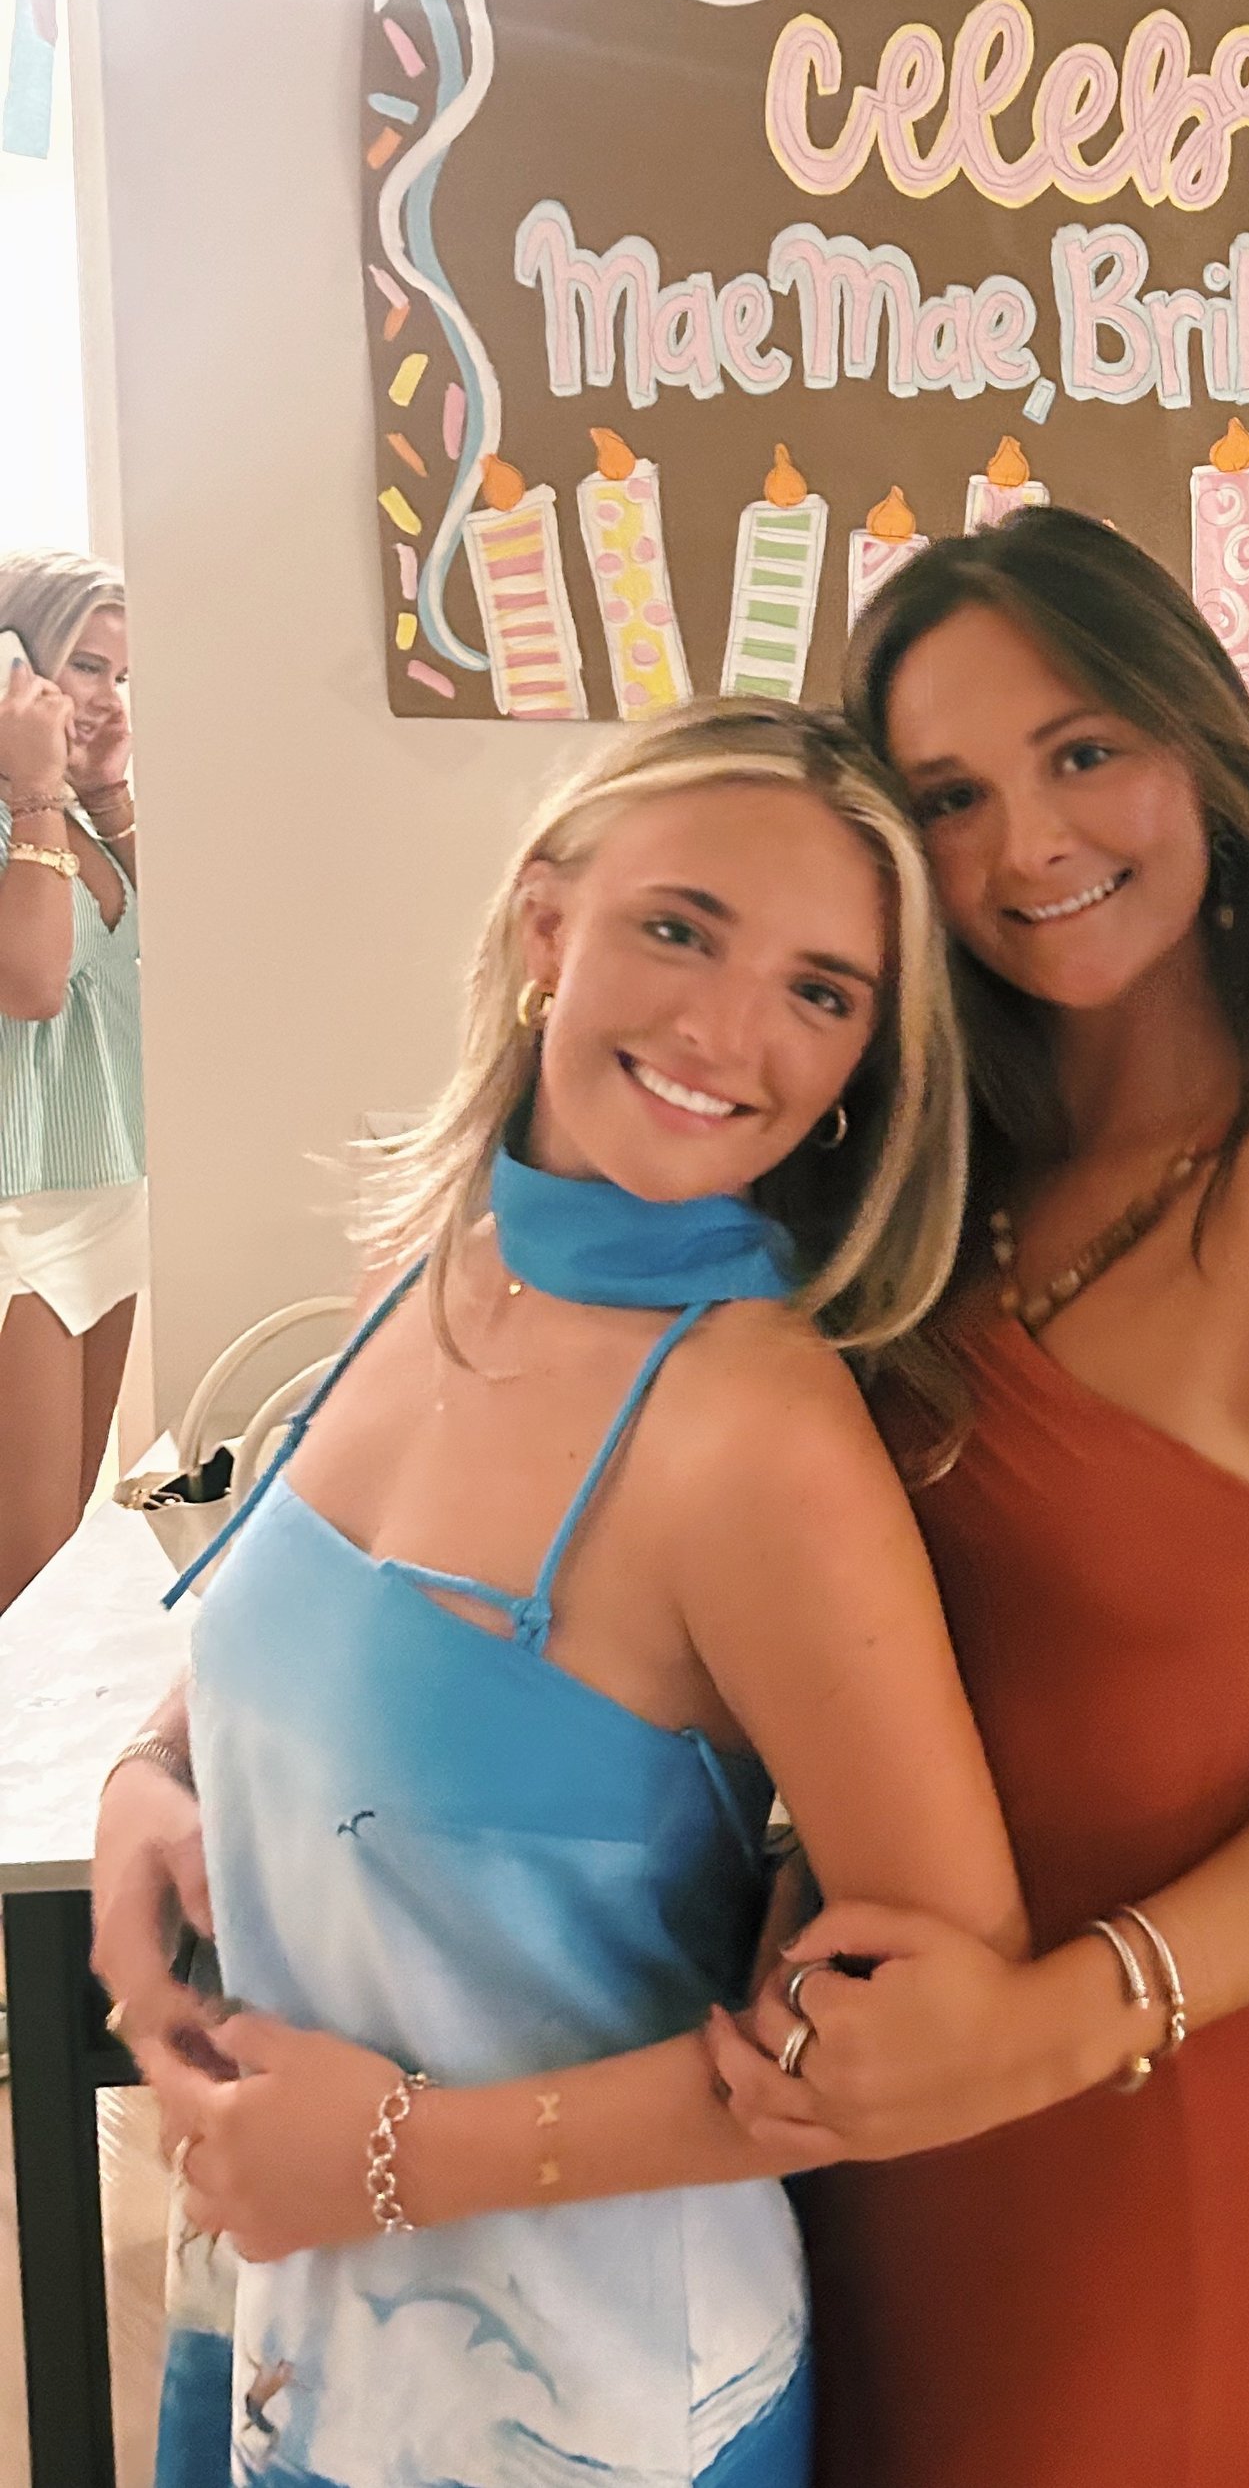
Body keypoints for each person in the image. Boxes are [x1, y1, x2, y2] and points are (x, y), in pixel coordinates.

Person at [704, 509, 1249, 2488]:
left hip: (1145, 2157)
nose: (1026, 842)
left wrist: (1042, 2029)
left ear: (1204, 752)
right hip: (842, 2127)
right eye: (948, 793)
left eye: (1083, 750)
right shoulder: (903, 1169)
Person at [120, 701, 1024, 2488]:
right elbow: (309, 1665)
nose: (723, 1029)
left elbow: (935, 2009)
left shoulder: (755, 1431)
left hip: (576, 2402)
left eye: (820, 990)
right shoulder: (436, 1260)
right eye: (679, 925)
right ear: (550, 927)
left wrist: (393, 2158)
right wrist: (157, 1777)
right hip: (297, 2333)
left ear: (869, 1060)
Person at [0, 549, 143, 1611]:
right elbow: (35, 982)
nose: (104, 697)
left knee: (70, 1535)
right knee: (30, 1556)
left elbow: (173, 965)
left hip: (104, 1186)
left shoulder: (75, 813)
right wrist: (40, 784)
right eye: (85, 667)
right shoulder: (23, 813)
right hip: (18, 1207)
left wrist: (103, 789)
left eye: (121, 676)